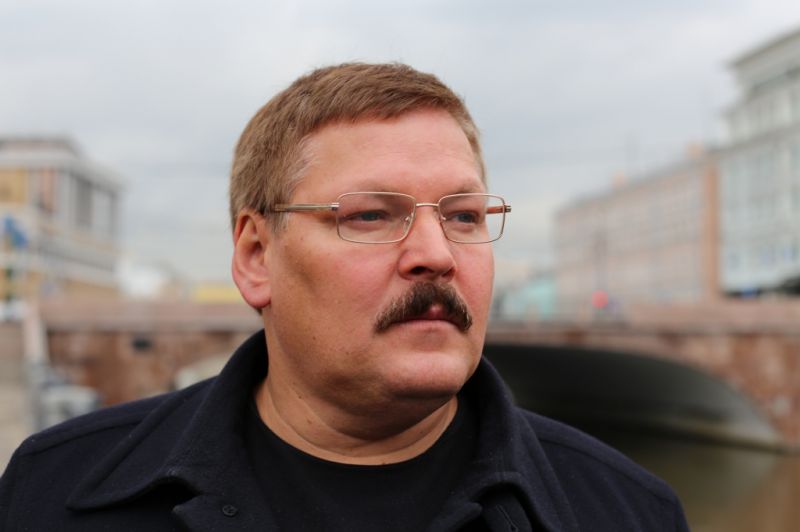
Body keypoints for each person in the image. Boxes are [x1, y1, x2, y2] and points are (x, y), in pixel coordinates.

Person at [0, 62, 689, 531]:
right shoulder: (55, 490)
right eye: (370, 215)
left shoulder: (627, 511)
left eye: (464, 216)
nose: (436, 254)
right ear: (256, 257)